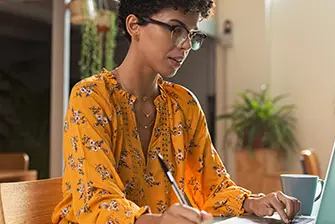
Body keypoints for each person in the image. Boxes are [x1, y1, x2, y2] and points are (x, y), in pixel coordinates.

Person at [52, 0, 301, 223]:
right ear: (134, 25)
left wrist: (253, 203)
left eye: (191, 35)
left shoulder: (184, 104)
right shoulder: (91, 97)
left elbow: (213, 187)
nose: (185, 46)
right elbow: (97, 201)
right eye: (176, 29)